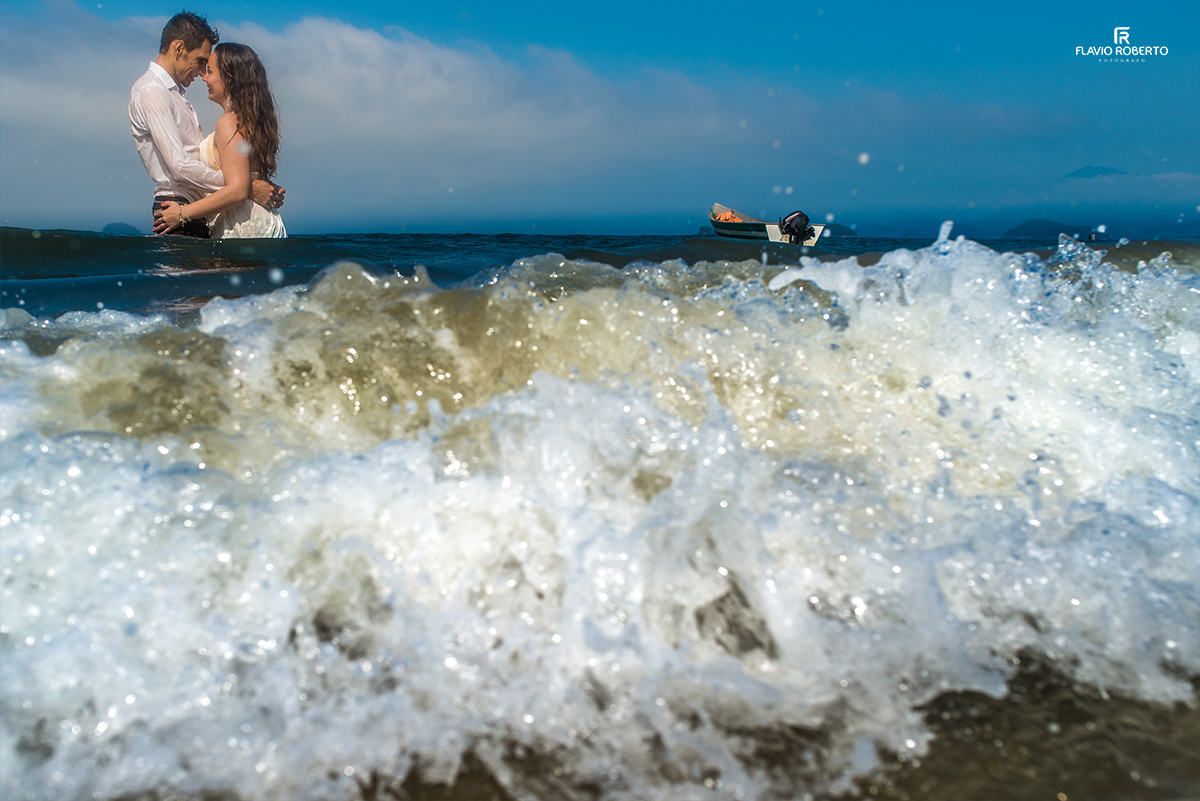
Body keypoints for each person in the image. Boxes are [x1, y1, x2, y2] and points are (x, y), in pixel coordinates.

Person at [129, 11, 283, 238]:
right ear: (178, 48)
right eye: (201, 61)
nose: (202, 73)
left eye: (208, 68)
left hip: (198, 209)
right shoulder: (153, 92)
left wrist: (242, 185)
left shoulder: (176, 96)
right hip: (178, 206)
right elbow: (179, 166)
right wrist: (246, 187)